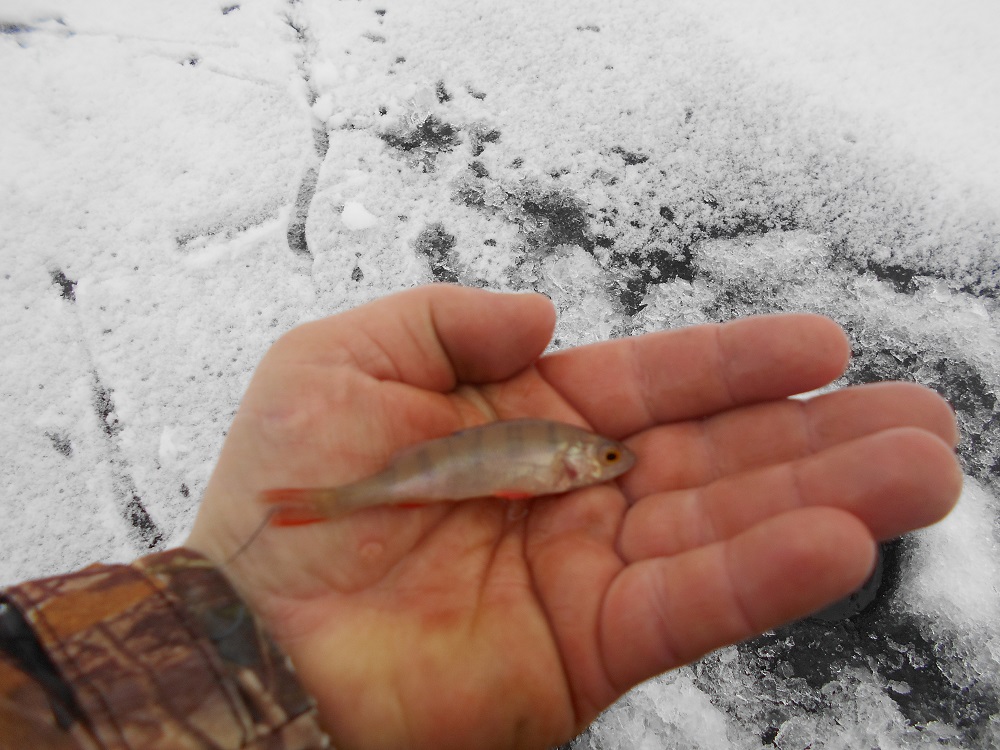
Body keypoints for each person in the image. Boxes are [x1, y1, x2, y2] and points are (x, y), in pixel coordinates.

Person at [1, 285, 961, 750]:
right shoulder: (558, 460)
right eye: (605, 461)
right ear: (578, 462)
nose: (606, 469)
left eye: (603, 464)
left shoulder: (563, 459)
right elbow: (518, 475)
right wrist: (241, 605)